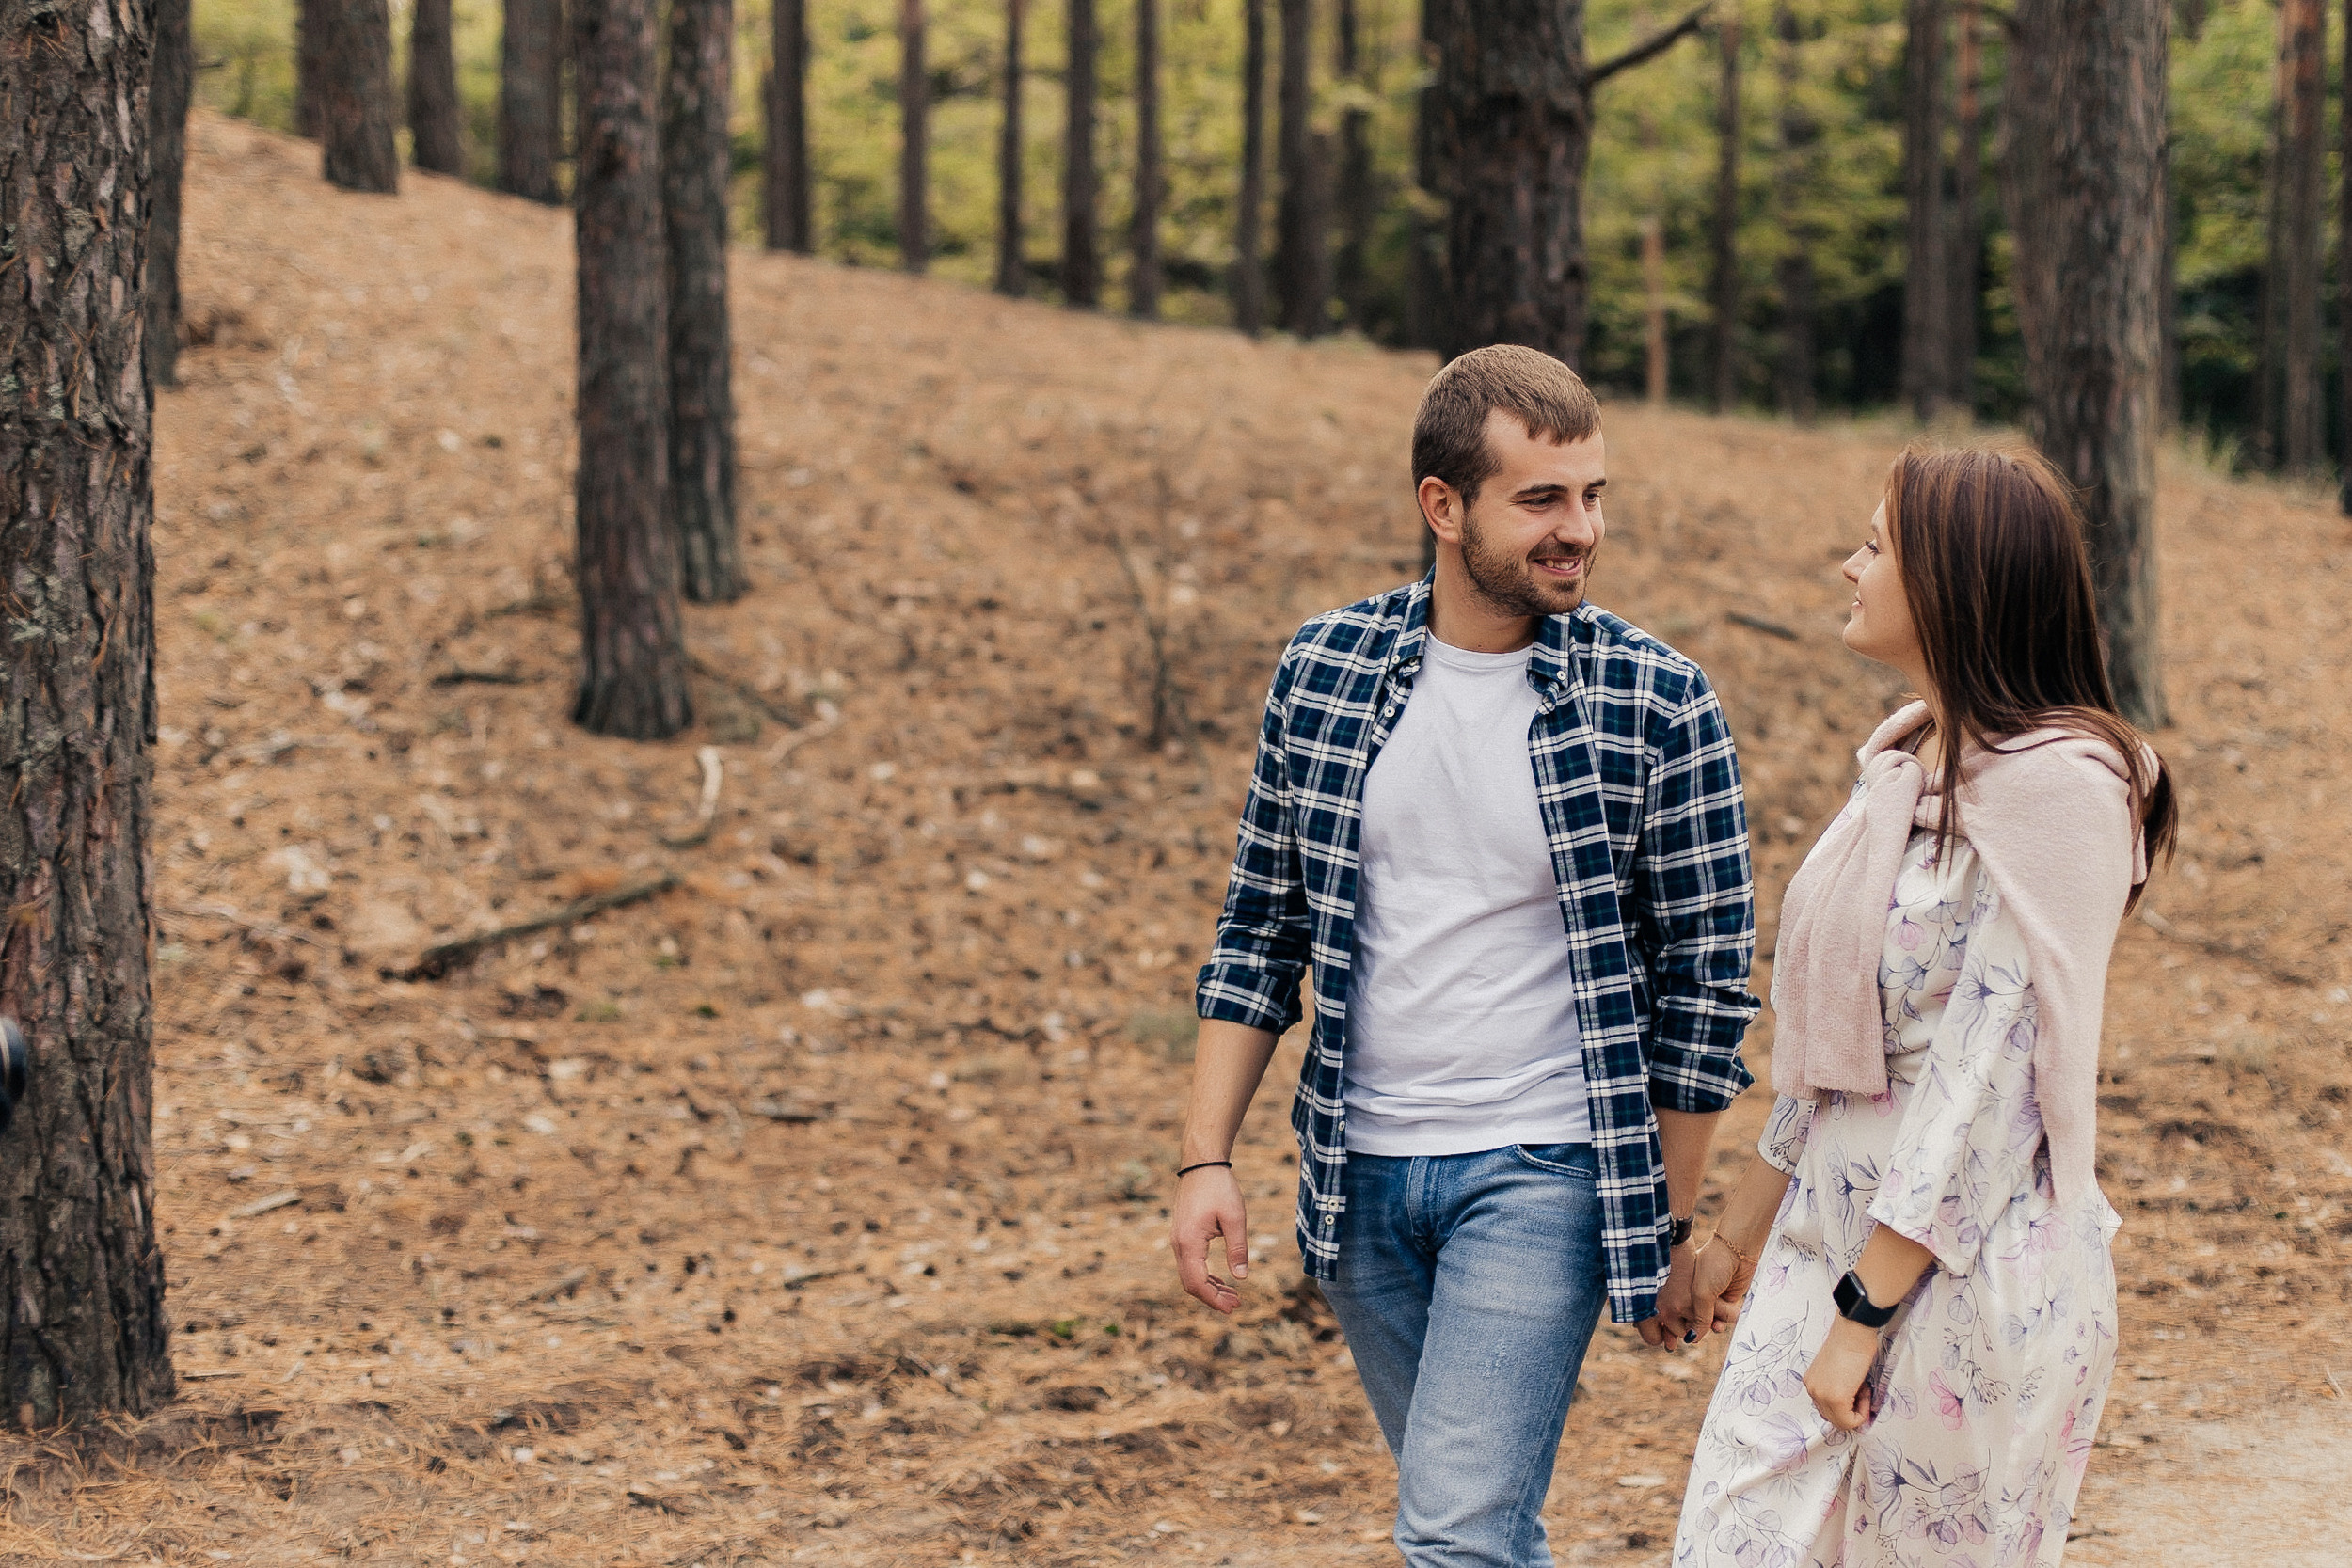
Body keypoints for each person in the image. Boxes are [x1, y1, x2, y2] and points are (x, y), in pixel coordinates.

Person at [1168, 343, 1761, 1566]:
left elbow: (1706, 987)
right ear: (1443, 507)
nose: (1579, 530)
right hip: (1358, 1176)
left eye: (1593, 495)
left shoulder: (1656, 699)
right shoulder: (1326, 668)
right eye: (1541, 499)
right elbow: (1258, 928)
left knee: (1453, 1530)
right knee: (1480, 1529)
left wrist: (1664, 1220)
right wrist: (1203, 1158)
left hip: (1545, 1168)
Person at [1674, 444, 2176, 1567]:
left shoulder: (2069, 787)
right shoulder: (1905, 764)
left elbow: (1988, 1081)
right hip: (1827, 1239)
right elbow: (1827, 1043)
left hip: (1965, 1272)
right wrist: (1738, 1234)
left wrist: (1862, 1313)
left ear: (1954, 578)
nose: (1848, 565)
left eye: (1874, 544)